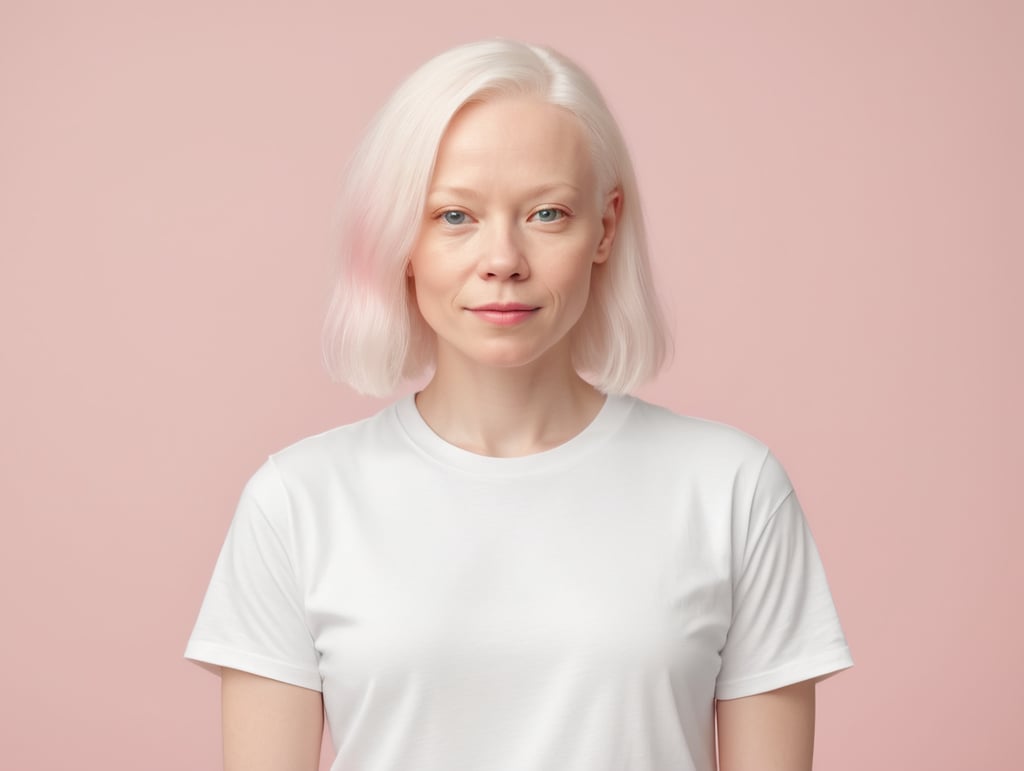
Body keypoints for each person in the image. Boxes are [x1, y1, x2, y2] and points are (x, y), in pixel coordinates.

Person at [184, 38, 853, 771]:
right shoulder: (296, 502)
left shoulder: (732, 487)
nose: (502, 259)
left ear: (605, 227)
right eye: (454, 217)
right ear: (399, 237)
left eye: (546, 213)